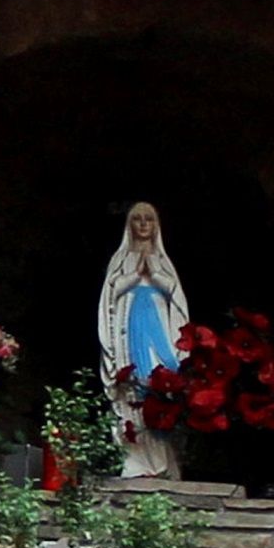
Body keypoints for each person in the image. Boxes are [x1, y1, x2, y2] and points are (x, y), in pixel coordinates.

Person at [97, 203, 189, 481]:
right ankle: (137, 462)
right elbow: (109, 299)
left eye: (149, 219)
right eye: (137, 219)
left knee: (160, 392)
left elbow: (177, 300)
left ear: (156, 224)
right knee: (133, 395)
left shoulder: (163, 261)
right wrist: (135, 275)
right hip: (129, 335)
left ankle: (163, 462)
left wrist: (156, 274)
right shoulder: (120, 259)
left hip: (159, 333)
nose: (143, 224)